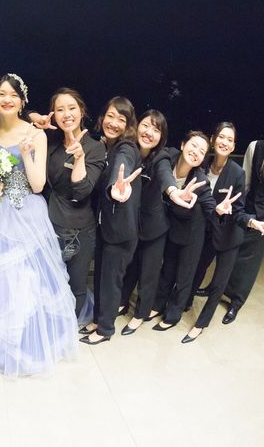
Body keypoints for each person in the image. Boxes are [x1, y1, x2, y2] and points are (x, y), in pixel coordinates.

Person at [0, 74, 78, 376]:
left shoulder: (36, 134)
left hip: (26, 212)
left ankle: (24, 343)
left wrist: (27, 153)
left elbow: (38, 185)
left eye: (13, 95)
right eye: (1, 94)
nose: (7, 99)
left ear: (22, 101)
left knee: (25, 280)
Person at [120, 110, 202, 336]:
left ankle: (140, 314)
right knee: (131, 266)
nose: (149, 132)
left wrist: (173, 191)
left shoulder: (161, 156)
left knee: (149, 272)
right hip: (133, 223)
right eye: (146, 125)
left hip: (155, 226)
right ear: (137, 126)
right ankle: (122, 302)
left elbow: (166, 174)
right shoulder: (131, 151)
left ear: (162, 136)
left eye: (156, 130)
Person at [79, 97, 142, 345]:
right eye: (110, 116)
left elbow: (121, 169)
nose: (114, 123)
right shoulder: (108, 146)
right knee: (101, 278)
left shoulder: (126, 148)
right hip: (107, 228)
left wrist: (116, 188)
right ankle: (98, 320)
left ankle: (105, 329)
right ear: (103, 117)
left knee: (110, 282)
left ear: (128, 125)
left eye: (121, 119)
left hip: (120, 232)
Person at [151, 131, 228, 331]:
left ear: (203, 159)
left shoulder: (200, 179)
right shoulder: (169, 156)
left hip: (193, 233)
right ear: (183, 145)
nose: (196, 152)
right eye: (193, 146)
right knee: (167, 270)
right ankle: (157, 305)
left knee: (184, 276)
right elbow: (162, 171)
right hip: (173, 226)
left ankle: (173, 315)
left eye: (202, 151)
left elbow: (209, 204)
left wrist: (218, 210)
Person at [181, 122, 248, 342]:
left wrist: (250, 222)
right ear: (213, 139)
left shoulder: (237, 173)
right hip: (209, 231)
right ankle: (185, 302)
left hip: (230, 235)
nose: (225, 142)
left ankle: (201, 324)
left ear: (234, 146)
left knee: (218, 283)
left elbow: (239, 211)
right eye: (222, 137)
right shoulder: (203, 164)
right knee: (198, 269)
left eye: (230, 140)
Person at [44, 88, 105, 321]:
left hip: (78, 229)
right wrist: (36, 118)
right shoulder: (51, 141)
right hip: (48, 223)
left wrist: (79, 158)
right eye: (60, 109)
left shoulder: (94, 147)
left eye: (72, 108)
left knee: (76, 285)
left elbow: (82, 191)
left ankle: (69, 329)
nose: (66, 114)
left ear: (82, 111)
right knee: (49, 281)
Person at [222, 111, 264, 324]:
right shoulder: (254, 147)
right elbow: (245, 180)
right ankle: (217, 288)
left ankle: (236, 302)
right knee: (229, 251)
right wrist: (237, 208)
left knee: (250, 262)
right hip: (245, 208)